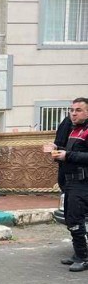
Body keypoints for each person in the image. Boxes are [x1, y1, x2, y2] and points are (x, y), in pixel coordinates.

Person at [51, 97, 88, 271]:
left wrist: (67, 155)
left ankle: (83, 257)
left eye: (78, 110)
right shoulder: (74, 130)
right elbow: (68, 152)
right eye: (72, 110)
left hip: (83, 182)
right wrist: (57, 151)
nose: (73, 113)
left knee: (75, 219)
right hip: (71, 180)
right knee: (70, 218)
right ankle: (77, 253)